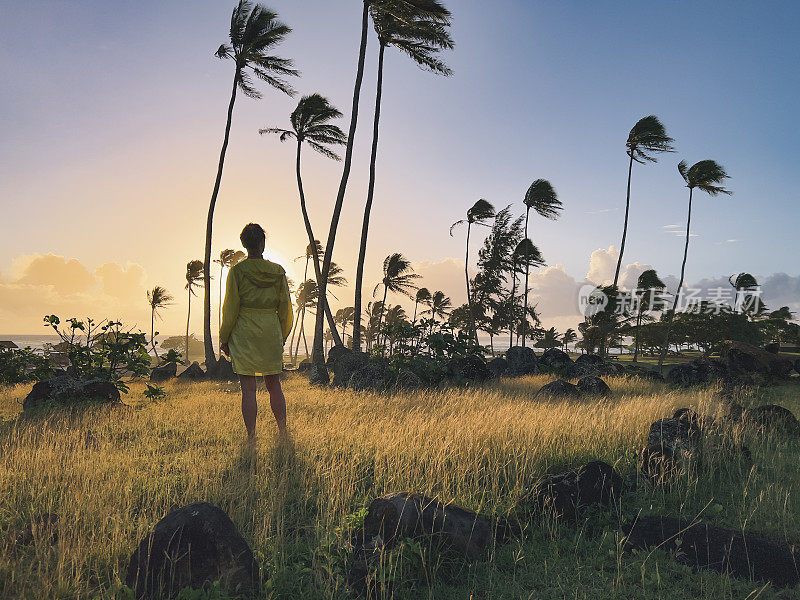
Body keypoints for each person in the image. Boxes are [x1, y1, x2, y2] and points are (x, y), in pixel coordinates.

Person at [220, 223, 293, 439]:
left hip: (244, 332)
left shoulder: (237, 272)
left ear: (244, 244)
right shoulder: (278, 271)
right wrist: (281, 334)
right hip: (270, 330)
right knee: (274, 384)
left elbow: (230, 308)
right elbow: (286, 308)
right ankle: (282, 431)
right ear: (262, 243)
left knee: (248, 389)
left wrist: (225, 337)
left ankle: (251, 437)